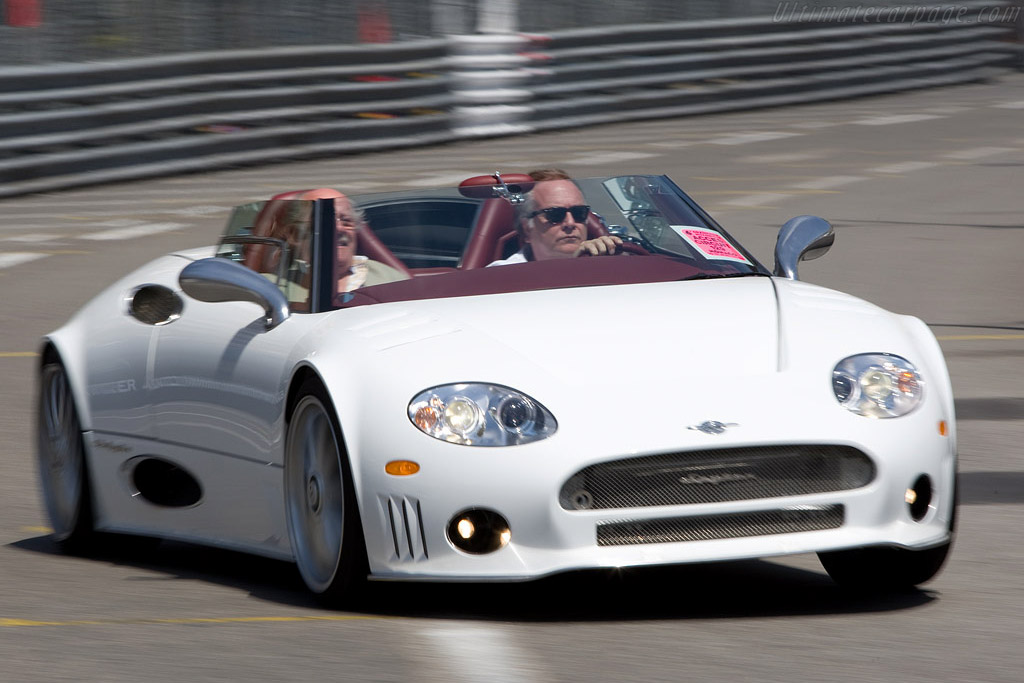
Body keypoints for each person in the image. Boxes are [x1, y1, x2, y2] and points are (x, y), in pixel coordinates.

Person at [487, 169, 622, 266]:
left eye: (578, 212)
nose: (570, 223)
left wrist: (603, 262)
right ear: (527, 229)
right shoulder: (501, 276)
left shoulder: (610, 264)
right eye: (555, 214)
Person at [300, 188, 409, 294]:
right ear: (297, 234)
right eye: (325, 221)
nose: (339, 228)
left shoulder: (390, 278)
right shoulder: (285, 285)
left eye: (346, 221)